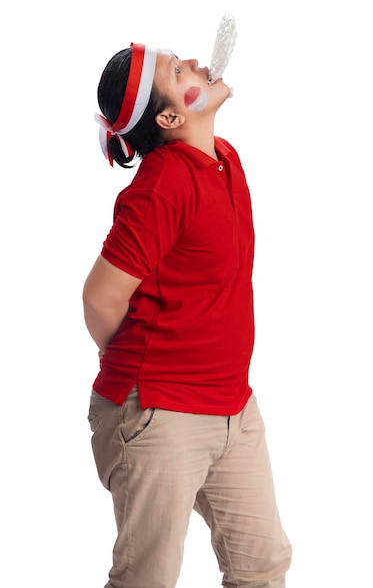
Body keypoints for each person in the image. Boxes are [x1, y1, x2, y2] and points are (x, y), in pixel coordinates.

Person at [83, 40, 292, 588]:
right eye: (179, 71)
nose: (198, 64)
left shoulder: (225, 158)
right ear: (171, 116)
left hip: (232, 407)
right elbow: (100, 298)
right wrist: (137, 365)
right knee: (147, 579)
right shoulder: (163, 184)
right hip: (159, 411)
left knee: (263, 566)